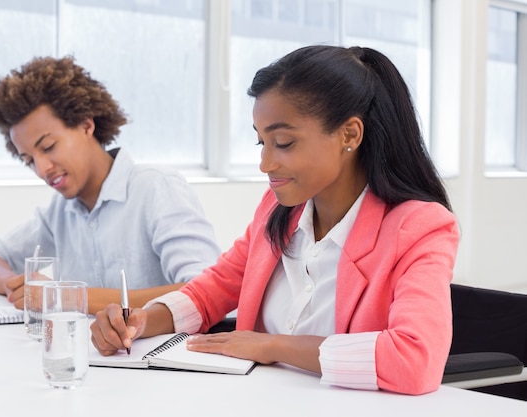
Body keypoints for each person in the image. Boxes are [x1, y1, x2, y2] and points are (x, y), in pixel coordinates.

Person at [89, 45, 460, 395]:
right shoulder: (278, 210)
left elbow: (415, 359)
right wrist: (139, 321)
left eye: (283, 143)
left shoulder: (420, 227)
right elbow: (210, 292)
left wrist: (274, 346)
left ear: (350, 134)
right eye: (261, 143)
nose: (265, 164)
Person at [0, 56, 221, 314]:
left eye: (48, 147)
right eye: (29, 160)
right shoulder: (60, 212)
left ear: (86, 125)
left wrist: (72, 297)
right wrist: (14, 285)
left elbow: (208, 289)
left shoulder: (156, 188)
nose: (42, 169)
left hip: (164, 351)